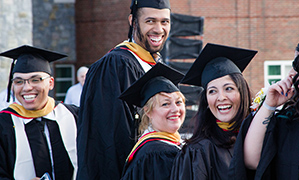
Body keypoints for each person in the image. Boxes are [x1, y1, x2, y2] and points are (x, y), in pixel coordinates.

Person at [228, 9, 299, 179]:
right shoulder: (292, 118)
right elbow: (251, 161)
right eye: (293, 65)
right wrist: (269, 105)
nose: (292, 74)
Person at [76, 0, 171, 179]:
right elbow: (108, 140)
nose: (159, 29)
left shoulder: (154, 64)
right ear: (133, 22)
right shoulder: (116, 65)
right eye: (150, 21)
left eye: (164, 21)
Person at [170, 43, 257, 180]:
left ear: (242, 92)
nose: (221, 97)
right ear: (206, 100)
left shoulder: (261, 134)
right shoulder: (199, 151)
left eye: (228, 88)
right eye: (212, 91)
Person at [0, 45, 78, 180]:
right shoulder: (3, 125)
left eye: (35, 80)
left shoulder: (74, 116)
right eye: (19, 81)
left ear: (51, 83)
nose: (27, 87)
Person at [119, 62, 185, 180]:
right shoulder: (157, 154)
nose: (175, 109)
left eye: (179, 102)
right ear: (148, 112)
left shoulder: (169, 145)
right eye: (165, 104)